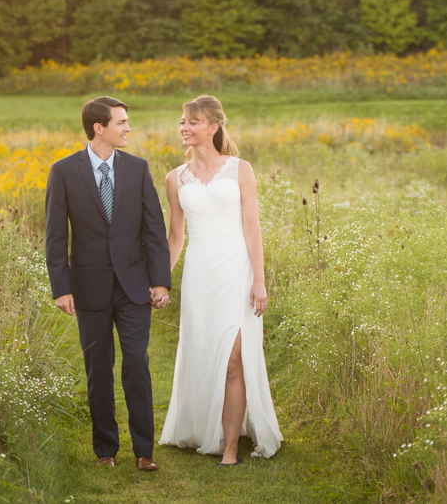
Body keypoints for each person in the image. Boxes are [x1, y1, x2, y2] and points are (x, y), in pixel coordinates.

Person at [44, 96, 172, 472]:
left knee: (136, 362)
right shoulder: (63, 171)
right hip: (88, 286)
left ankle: (144, 451)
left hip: (134, 285)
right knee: (98, 368)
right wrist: (61, 287)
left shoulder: (137, 168)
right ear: (99, 127)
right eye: (121, 122)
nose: (128, 128)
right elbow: (55, 236)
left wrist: (160, 281)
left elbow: (154, 229)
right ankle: (105, 449)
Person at [158, 95, 282, 465]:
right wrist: (162, 280)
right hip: (200, 273)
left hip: (237, 270)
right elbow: (175, 236)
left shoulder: (240, 169)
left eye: (192, 122)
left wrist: (258, 280)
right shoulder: (174, 179)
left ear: (213, 127)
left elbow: (252, 226)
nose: (184, 127)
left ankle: (229, 447)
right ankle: (201, 423)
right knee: (202, 352)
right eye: (182, 121)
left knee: (234, 359)